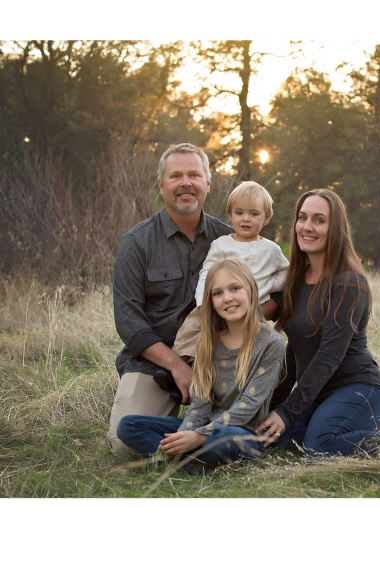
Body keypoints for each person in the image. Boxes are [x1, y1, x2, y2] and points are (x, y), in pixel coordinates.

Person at [107, 143, 279, 455]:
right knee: (124, 448)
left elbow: (273, 286)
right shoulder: (137, 243)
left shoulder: (232, 239)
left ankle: (212, 440)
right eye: (176, 176)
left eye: (194, 175)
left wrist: (250, 323)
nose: (186, 183)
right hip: (155, 365)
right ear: (161, 185)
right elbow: (128, 321)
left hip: (222, 359)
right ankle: (205, 445)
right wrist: (176, 365)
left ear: (207, 183)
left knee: (239, 421)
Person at [256, 188, 380, 456]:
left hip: (359, 388)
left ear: (335, 228)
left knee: (318, 446)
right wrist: (272, 408)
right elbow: (294, 350)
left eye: (319, 220)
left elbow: (328, 355)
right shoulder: (295, 279)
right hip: (318, 393)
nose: (308, 227)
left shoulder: (349, 282)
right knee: (272, 441)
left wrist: (287, 412)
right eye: (303, 217)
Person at [117, 257, 285, 465]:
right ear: (211, 302)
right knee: (128, 426)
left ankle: (171, 459)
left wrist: (199, 436)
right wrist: (184, 435)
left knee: (227, 438)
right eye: (218, 293)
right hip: (205, 428)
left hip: (242, 434)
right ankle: (190, 460)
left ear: (251, 290)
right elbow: (201, 403)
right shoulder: (208, 341)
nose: (227, 298)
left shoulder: (271, 343)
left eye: (235, 288)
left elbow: (248, 407)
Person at [169, 181, 289, 372]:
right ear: (231, 215)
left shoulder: (271, 250)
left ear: (266, 218)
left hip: (248, 310)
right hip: (216, 304)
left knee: (241, 348)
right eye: (239, 213)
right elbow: (207, 273)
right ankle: (178, 365)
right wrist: (203, 302)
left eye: (254, 214)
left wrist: (268, 285)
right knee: (192, 329)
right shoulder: (222, 244)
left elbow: (286, 273)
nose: (246, 219)